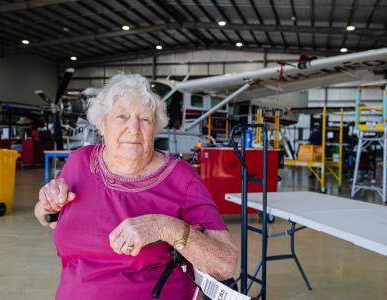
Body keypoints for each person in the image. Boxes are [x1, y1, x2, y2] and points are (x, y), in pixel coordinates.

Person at [34, 74, 238, 299]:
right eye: (122, 116)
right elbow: (47, 217)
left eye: (145, 119)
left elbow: (225, 264)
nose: (134, 128)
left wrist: (167, 227)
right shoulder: (79, 161)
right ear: (103, 124)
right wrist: (46, 203)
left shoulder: (181, 178)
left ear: (155, 128)